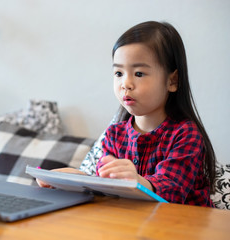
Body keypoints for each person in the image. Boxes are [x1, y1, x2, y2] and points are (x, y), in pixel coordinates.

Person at [37, 21, 216, 207]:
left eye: (138, 74)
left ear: (172, 81)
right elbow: (107, 188)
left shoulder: (185, 134)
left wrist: (138, 182)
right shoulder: (114, 135)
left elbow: (172, 191)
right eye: (118, 73)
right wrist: (76, 180)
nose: (126, 84)